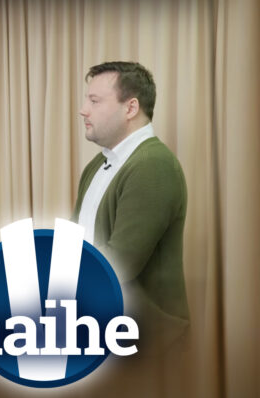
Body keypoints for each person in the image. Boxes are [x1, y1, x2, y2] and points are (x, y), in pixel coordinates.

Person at [72, 61, 188, 350]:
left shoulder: (152, 165)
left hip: (146, 341)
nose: (83, 110)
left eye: (95, 101)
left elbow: (119, 264)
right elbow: (76, 246)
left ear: (131, 108)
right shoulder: (97, 165)